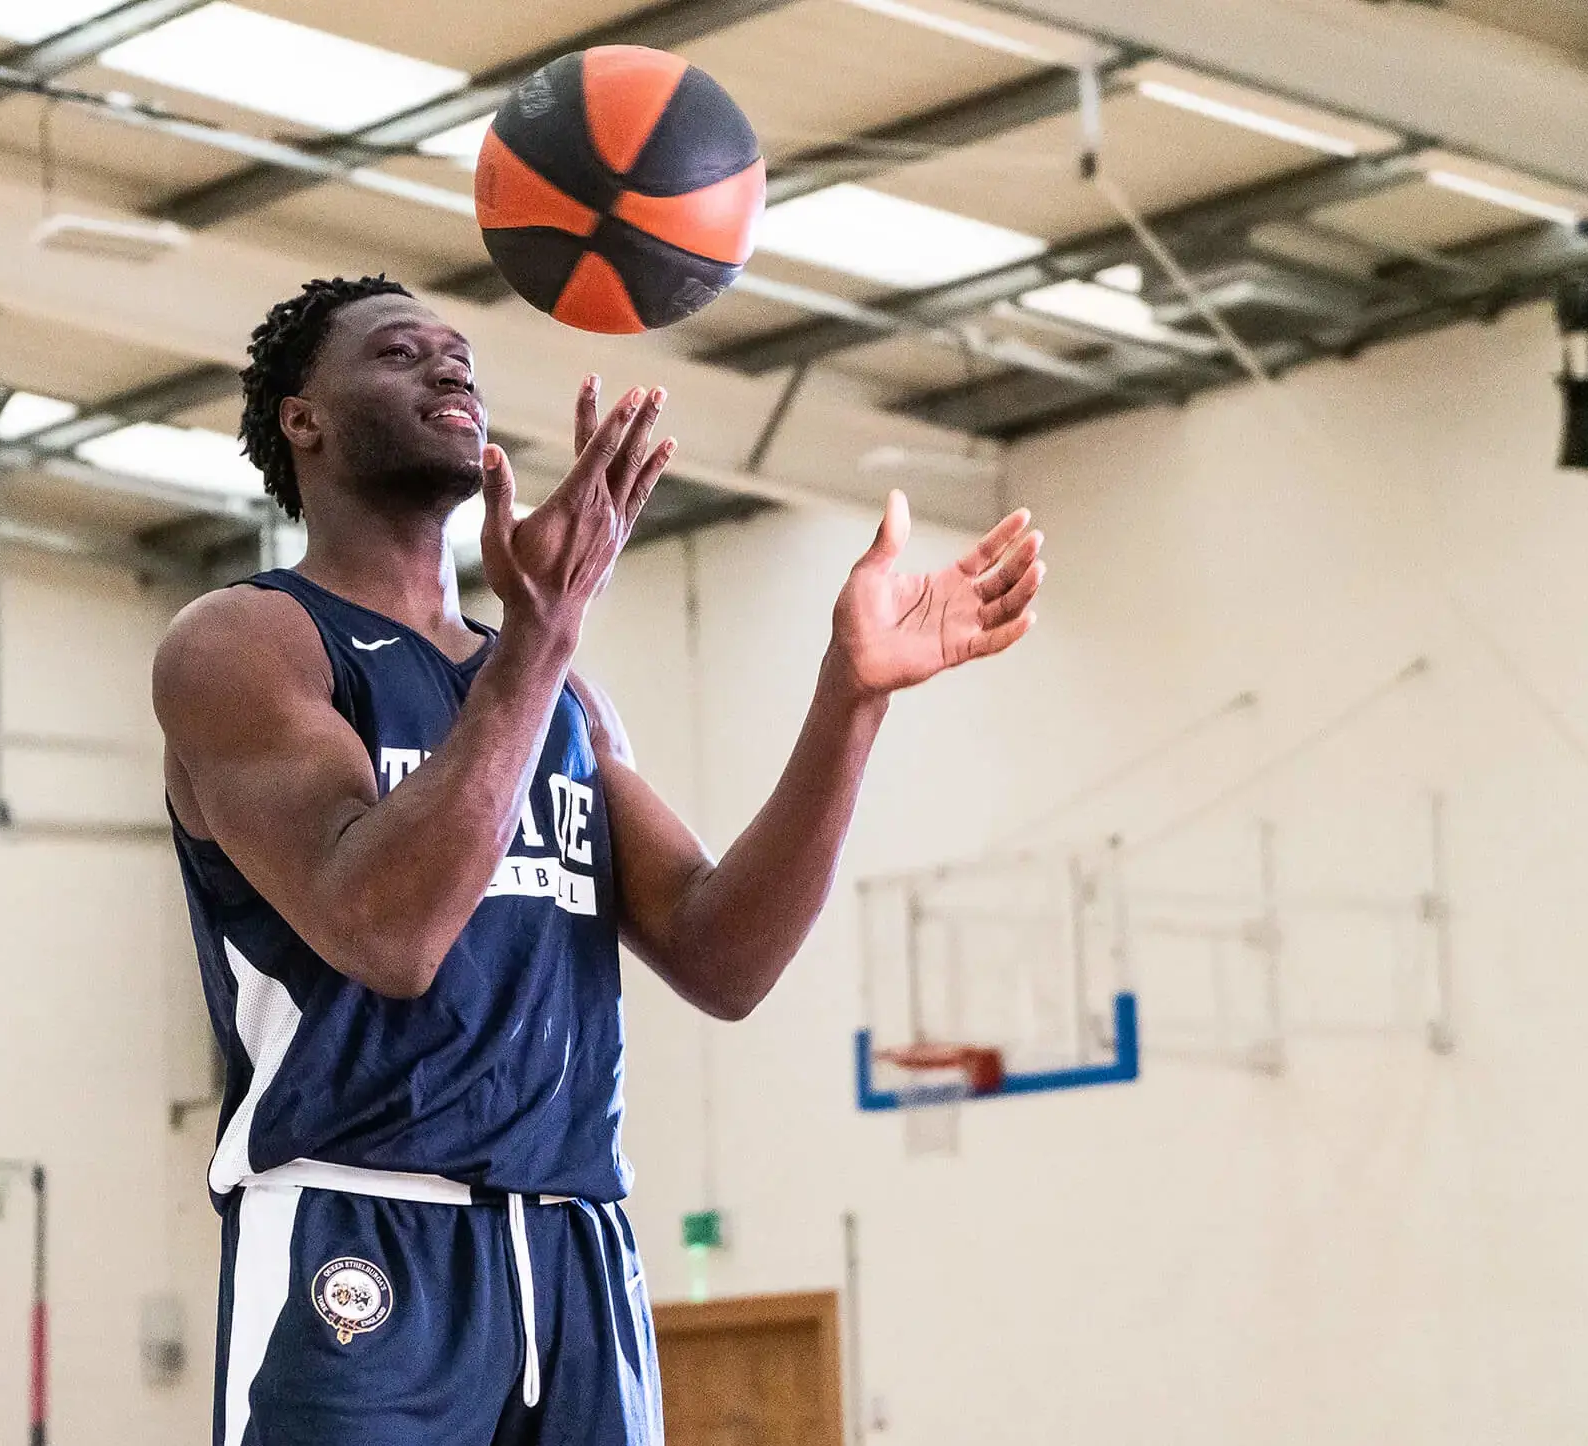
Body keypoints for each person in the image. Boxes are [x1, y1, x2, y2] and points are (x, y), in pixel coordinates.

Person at [154, 276, 1044, 1446]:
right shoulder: (245, 642)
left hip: (579, 1239)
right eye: (400, 353)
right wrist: (542, 630)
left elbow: (724, 958)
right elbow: (388, 933)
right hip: (359, 1229)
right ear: (301, 418)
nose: (448, 369)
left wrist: (851, 699)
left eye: (459, 354)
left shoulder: (562, 694)